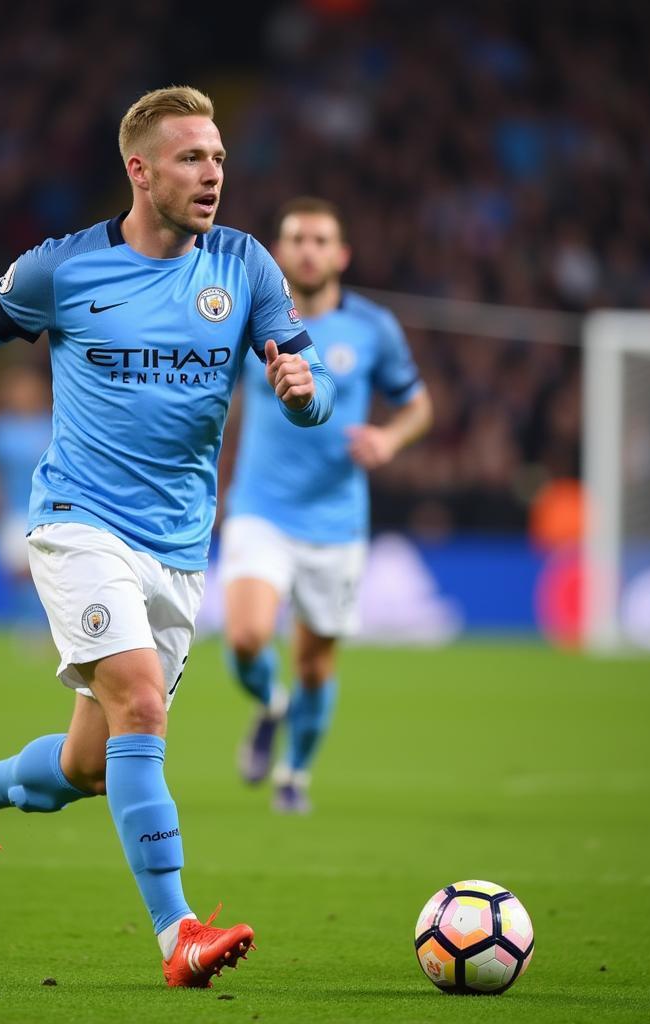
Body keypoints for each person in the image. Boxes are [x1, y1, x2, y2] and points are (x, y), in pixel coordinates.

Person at [0, 86, 334, 989]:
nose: (213, 172)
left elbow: (312, 386)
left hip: (180, 549)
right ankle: (177, 932)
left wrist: (307, 394)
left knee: (89, 766)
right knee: (142, 705)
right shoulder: (61, 271)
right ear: (139, 171)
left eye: (219, 156)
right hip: (77, 524)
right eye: (191, 157)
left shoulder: (246, 266)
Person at [219, 197, 431, 813]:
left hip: (336, 522)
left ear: (340, 255)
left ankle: (295, 776)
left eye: (320, 240)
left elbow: (419, 405)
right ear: (280, 253)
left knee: (315, 665)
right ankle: (269, 704)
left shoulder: (373, 327)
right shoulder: (250, 322)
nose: (308, 250)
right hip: (260, 508)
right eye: (296, 239)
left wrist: (389, 438)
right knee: (247, 639)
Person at [0, 364, 53, 631]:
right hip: (12, 511)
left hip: (47, 511)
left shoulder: (53, 425)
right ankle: (27, 622)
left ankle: (43, 625)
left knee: (42, 571)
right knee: (18, 573)